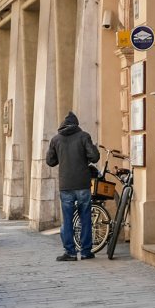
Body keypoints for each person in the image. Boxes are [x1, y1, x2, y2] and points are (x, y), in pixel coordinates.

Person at [45, 111, 100, 261]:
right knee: (85, 218)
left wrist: (61, 156)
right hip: (82, 183)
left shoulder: (56, 139)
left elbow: (50, 161)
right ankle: (86, 251)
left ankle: (70, 252)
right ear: (76, 124)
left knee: (67, 219)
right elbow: (94, 157)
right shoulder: (84, 136)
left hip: (66, 185)